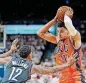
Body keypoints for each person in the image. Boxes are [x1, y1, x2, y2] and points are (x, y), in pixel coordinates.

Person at [37, 7, 85, 83]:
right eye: (58, 32)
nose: (59, 34)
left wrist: (66, 16)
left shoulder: (75, 38)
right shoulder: (58, 39)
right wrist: (54, 20)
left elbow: (68, 24)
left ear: (68, 31)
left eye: (61, 31)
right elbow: (40, 33)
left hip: (76, 77)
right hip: (62, 77)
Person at [0, 39, 77, 83]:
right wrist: (67, 64)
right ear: (30, 54)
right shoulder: (32, 67)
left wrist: (10, 51)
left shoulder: (9, 60)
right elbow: (52, 69)